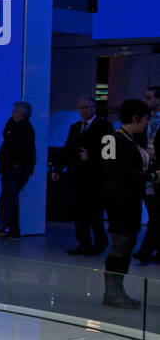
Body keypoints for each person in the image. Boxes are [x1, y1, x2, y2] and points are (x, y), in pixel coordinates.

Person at [101, 98, 154, 308]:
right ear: (135, 118)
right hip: (119, 202)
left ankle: (116, 290)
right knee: (121, 245)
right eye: (145, 120)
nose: (146, 124)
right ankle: (112, 292)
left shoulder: (129, 141)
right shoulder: (112, 139)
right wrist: (149, 177)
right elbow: (113, 172)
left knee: (126, 243)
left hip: (129, 201)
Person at [51, 96, 111, 255]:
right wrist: (58, 168)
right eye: (81, 108)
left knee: (94, 212)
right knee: (79, 211)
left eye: (87, 108)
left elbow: (109, 153)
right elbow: (68, 150)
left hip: (95, 177)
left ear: (94, 108)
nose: (84, 111)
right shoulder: (75, 127)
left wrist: (91, 155)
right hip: (77, 176)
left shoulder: (105, 126)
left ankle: (100, 242)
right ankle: (83, 243)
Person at [0, 100, 36, 238]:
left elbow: (24, 150)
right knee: (7, 199)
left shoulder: (24, 129)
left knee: (9, 199)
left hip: (14, 170)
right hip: (8, 168)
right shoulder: (12, 126)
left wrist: (16, 164)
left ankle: (11, 229)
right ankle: (5, 227)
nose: (13, 113)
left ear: (22, 114)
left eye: (16, 111)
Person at [133, 85, 160, 263]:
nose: (146, 101)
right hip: (147, 172)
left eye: (149, 98)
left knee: (157, 213)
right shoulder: (145, 121)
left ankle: (146, 250)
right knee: (153, 211)